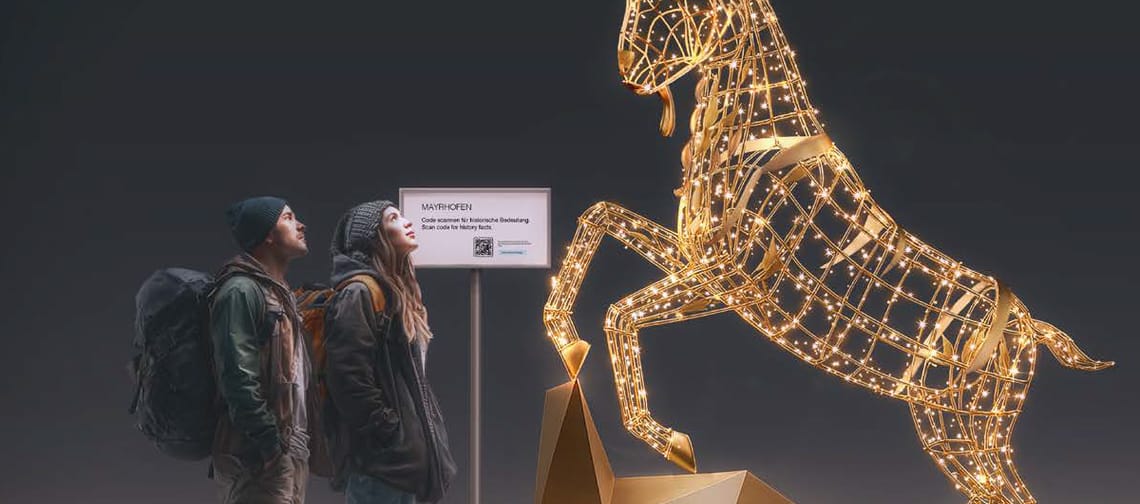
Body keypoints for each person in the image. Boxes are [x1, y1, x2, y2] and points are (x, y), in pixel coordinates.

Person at [323, 199, 456, 504]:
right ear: (375, 237)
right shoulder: (359, 293)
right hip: (380, 467)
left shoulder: (398, 296)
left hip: (403, 465)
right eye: (393, 218)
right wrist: (387, 431)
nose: (407, 222)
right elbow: (348, 377)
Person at [210, 196, 315, 504]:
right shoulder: (240, 290)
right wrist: (268, 443)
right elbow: (237, 377)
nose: (301, 224)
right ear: (267, 234)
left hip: (289, 449)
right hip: (257, 456)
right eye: (288, 217)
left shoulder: (279, 294)